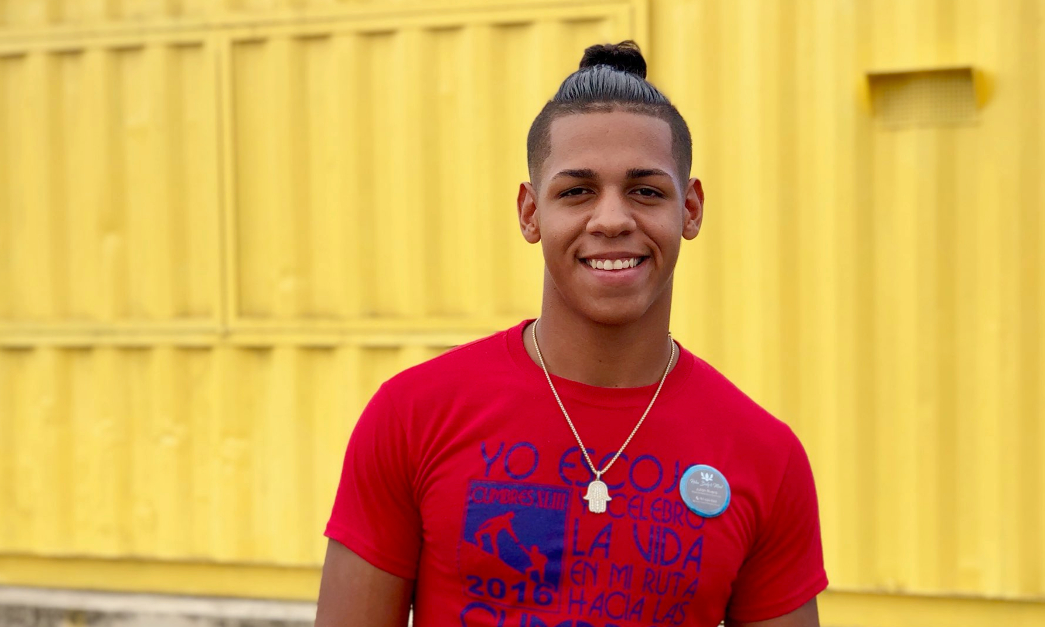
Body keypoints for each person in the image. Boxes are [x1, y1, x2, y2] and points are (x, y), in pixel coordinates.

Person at [315, 41, 827, 627]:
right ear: (531, 213)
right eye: (577, 191)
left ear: (690, 208)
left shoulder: (766, 456)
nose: (611, 219)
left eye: (646, 191)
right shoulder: (411, 417)